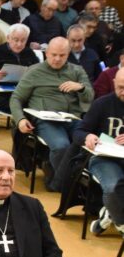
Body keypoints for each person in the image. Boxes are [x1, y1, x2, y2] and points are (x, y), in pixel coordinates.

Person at [10, 37, 93, 191]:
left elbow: (90, 97)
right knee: (62, 146)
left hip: (72, 118)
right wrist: (20, 119)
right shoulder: (34, 71)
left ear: (68, 54)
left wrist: (80, 87)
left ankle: (70, 180)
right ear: (46, 53)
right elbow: (16, 98)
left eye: (62, 55)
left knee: (90, 144)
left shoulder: (77, 71)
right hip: (46, 120)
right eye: (53, 54)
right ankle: (63, 184)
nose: (57, 59)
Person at [74, 68, 124, 235]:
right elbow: (79, 131)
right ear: (114, 83)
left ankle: (110, 212)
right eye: (121, 87)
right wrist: (87, 136)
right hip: (104, 158)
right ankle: (121, 223)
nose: (123, 92)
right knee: (112, 187)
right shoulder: (102, 104)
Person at [0, 23, 41, 113]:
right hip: (1, 93)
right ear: (8, 38)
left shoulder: (29, 53)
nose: (19, 44)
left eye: (23, 40)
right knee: (16, 105)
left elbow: (39, 73)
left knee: (37, 103)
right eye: (16, 40)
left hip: (23, 92)